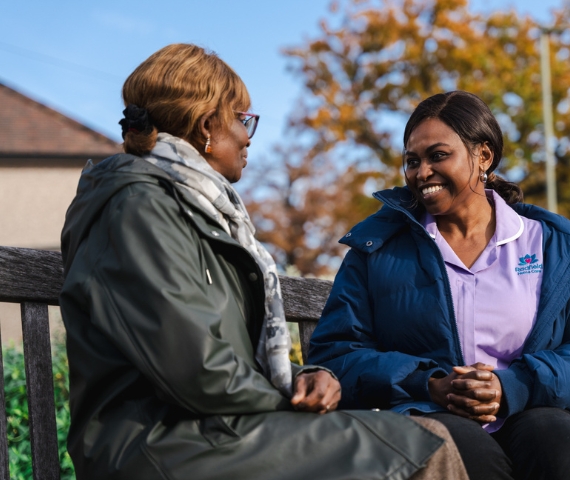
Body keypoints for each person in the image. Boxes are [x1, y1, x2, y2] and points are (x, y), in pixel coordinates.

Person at [59, 44, 470, 480]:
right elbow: (194, 369)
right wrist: (293, 397)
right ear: (206, 127)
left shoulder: (191, 207)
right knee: (423, 447)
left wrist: (304, 378)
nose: (248, 135)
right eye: (242, 118)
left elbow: (221, 360)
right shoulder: (139, 207)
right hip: (157, 442)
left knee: (421, 438)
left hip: (206, 428)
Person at [308, 91, 570, 480]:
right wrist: (430, 383)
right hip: (429, 416)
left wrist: (513, 386)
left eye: (438, 156)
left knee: (559, 448)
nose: (422, 172)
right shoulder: (376, 250)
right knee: (464, 454)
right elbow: (335, 355)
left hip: (535, 411)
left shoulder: (552, 245)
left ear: (483, 157)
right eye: (412, 161)